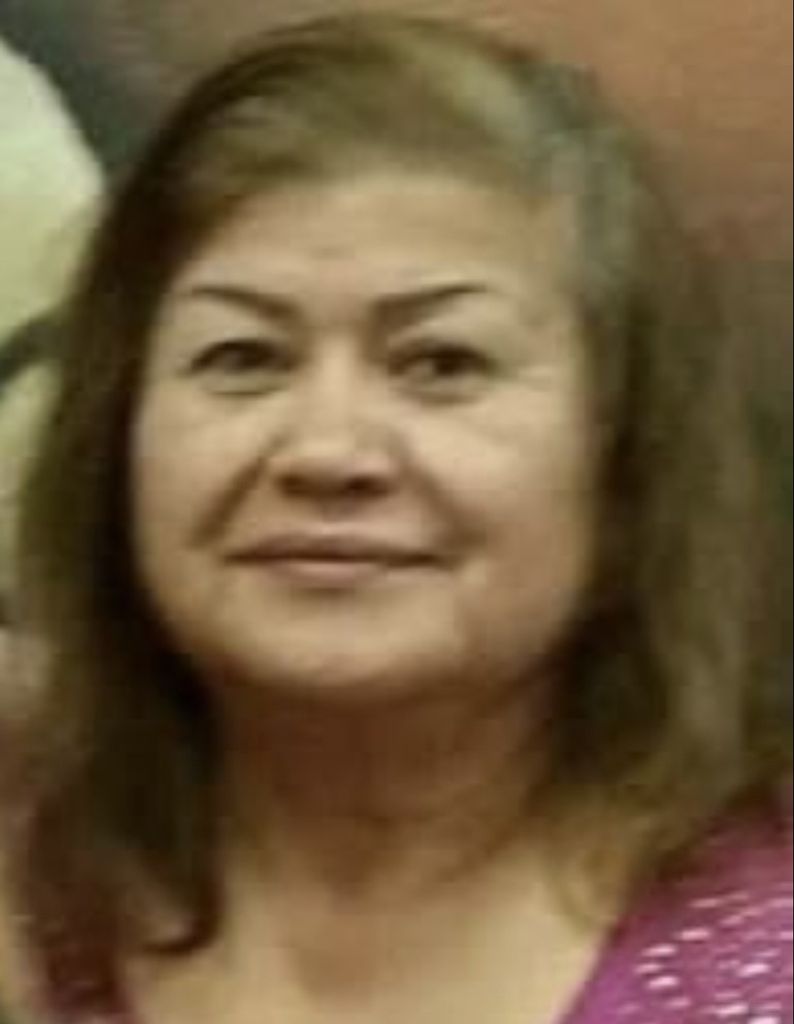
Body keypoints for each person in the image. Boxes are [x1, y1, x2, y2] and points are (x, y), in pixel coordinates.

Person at [0, 13, 790, 1024]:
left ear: (625, 456)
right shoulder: (37, 898)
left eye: (441, 364)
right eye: (244, 358)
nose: (327, 451)